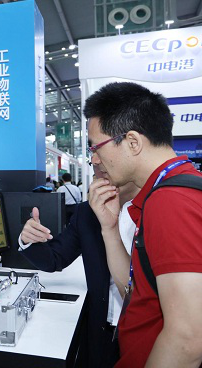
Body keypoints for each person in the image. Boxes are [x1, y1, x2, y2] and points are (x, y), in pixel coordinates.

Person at [84, 82, 202, 367]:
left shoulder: (171, 201)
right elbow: (135, 292)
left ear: (133, 142)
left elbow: (188, 339)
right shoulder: (162, 194)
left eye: (96, 147)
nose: (94, 159)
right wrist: (110, 229)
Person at [19, 166, 139, 368]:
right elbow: (55, 258)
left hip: (143, 332)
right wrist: (28, 240)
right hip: (101, 329)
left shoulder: (156, 209)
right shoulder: (87, 212)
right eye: (93, 162)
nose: (96, 162)